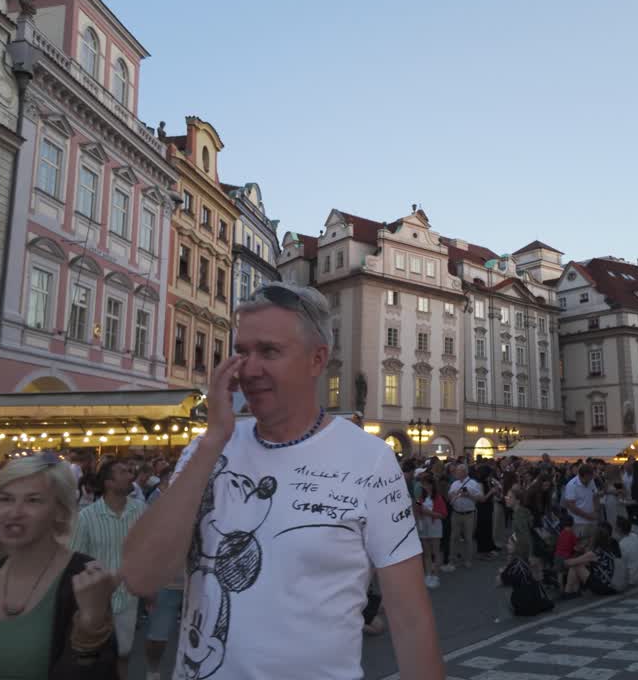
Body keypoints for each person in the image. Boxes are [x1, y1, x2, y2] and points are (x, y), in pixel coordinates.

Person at [122, 282, 442, 679]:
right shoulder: (205, 450)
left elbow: (409, 616)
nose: (249, 369)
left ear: (317, 360)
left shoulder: (370, 461)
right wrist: (213, 441)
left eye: (269, 351)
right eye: (242, 352)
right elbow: (140, 576)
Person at [0, 452, 120, 679]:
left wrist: (90, 628)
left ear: (59, 511)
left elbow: (97, 671)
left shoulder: (82, 577)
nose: (15, 512)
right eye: (6, 499)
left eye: (33, 500)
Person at [70, 458, 145, 678]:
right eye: (123, 471)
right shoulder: (86, 517)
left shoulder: (141, 510)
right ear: (109, 483)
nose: (130, 474)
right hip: (97, 600)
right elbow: (76, 560)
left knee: (124, 652)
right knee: (95, 656)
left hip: (129, 596)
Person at [445, 462, 484, 571]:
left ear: (464, 472)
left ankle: (468, 560)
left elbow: (481, 498)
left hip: (469, 514)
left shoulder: (473, 483)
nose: (455, 473)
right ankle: (452, 560)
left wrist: (469, 495)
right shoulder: (455, 483)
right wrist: (451, 495)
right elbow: (449, 497)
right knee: (454, 538)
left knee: (468, 538)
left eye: (458, 471)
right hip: (456, 513)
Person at [414, 473, 446, 588]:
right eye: (424, 484)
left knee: (435, 551)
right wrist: (418, 516)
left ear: (432, 485)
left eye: (428, 484)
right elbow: (416, 509)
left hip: (435, 525)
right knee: (426, 552)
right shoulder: (420, 498)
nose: (426, 486)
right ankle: (428, 574)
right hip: (424, 526)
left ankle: (435, 575)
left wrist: (428, 512)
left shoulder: (438, 497)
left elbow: (443, 514)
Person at [562, 464, 599, 545]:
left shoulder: (591, 480)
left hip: (592, 520)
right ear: (582, 476)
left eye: (591, 478)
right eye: (587, 479)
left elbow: (595, 496)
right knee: (580, 545)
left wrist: (596, 510)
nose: (589, 481)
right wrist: (588, 516)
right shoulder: (571, 485)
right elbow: (571, 507)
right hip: (579, 522)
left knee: (591, 544)